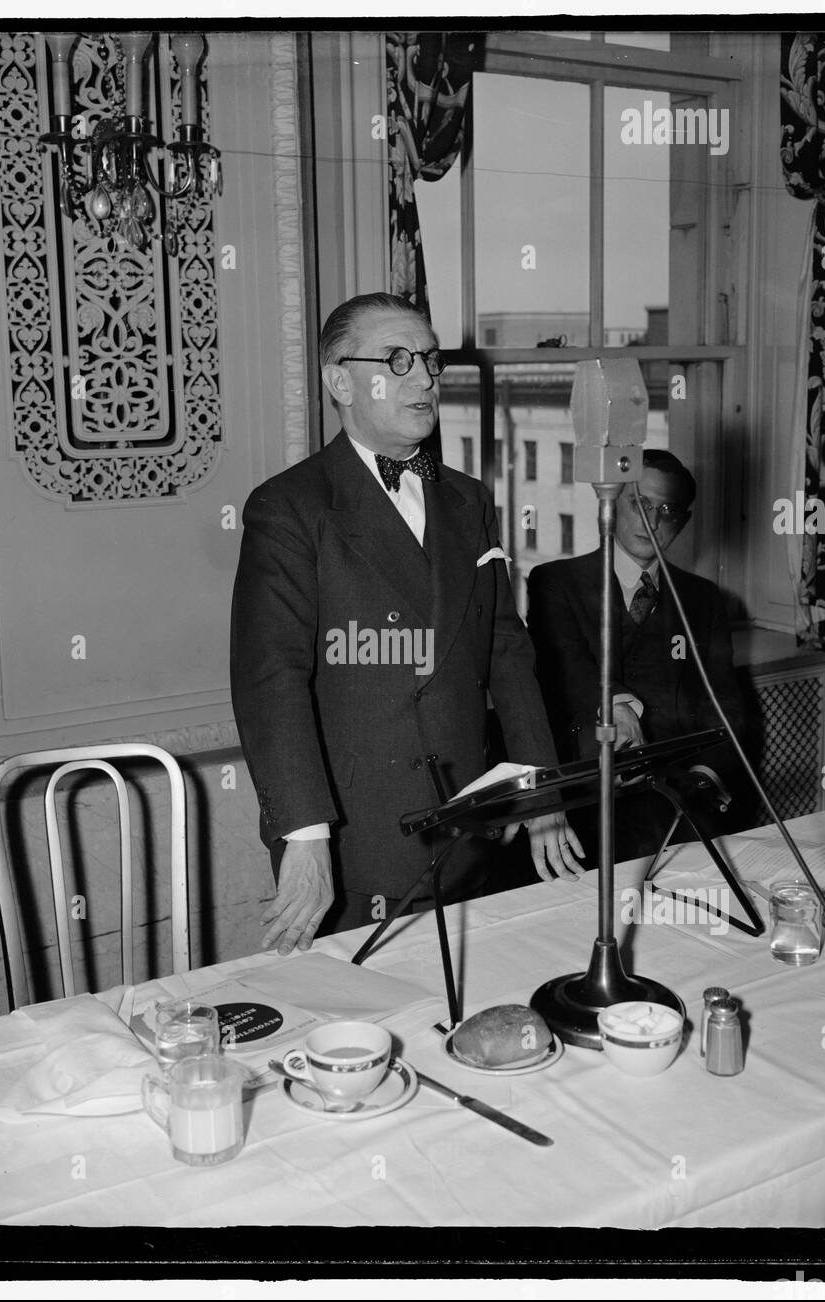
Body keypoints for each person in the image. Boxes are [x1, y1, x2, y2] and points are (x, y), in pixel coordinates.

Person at [231, 292, 583, 954]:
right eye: (397, 360)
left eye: (428, 359)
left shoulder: (469, 499)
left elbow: (507, 653)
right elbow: (270, 677)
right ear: (340, 380)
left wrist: (539, 789)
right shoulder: (289, 509)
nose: (423, 378)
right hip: (356, 844)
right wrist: (305, 836)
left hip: (474, 828)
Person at [526, 450, 748, 863]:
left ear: (682, 522)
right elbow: (566, 668)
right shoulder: (555, 583)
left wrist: (705, 778)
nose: (653, 520)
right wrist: (613, 704)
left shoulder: (703, 600)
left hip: (678, 802)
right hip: (587, 801)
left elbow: (725, 702)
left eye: (668, 509)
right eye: (640, 503)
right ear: (612, 502)